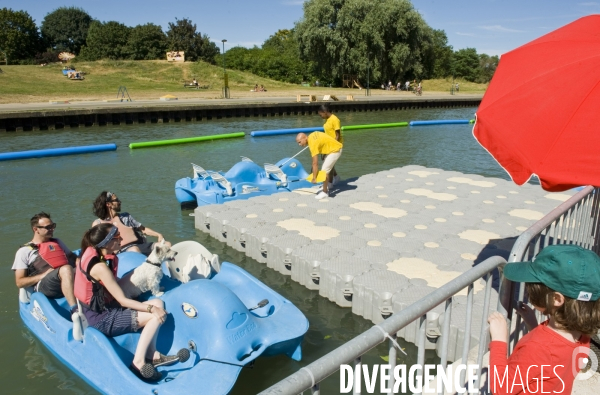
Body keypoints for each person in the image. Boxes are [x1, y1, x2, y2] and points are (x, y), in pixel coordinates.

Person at [488, 244, 600, 395]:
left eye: (533, 286)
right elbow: (550, 364)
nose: (528, 290)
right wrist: (533, 326)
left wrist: (499, 340)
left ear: (556, 298)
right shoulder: (583, 336)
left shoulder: (537, 347)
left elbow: (501, 388)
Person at [75, 223, 176, 381]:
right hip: (101, 318)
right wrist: (150, 310)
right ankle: (138, 363)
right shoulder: (100, 267)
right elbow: (122, 300)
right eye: (116, 237)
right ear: (106, 243)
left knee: (158, 303)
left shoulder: (95, 254)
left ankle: (152, 354)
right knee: (155, 315)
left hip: (106, 306)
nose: (121, 238)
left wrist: (153, 306)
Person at [12, 212, 77, 312]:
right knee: (66, 269)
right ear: (36, 229)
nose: (52, 229)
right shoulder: (24, 251)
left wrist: (83, 264)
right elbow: (19, 282)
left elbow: (72, 256)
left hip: (66, 276)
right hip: (45, 285)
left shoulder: (57, 242)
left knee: (90, 267)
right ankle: (75, 309)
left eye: (53, 226)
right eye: (48, 227)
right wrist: (42, 275)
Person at [92, 191, 170, 256]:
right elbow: (96, 245)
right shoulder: (98, 223)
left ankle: (169, 272)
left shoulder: (126, 217)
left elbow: (143, 229)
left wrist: (159, 235)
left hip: (139, 246)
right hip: (120, 252)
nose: (120, 202)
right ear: (108, 204)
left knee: (166, 245)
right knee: (134, 250)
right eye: (116, 200)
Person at [295, 132, 342, 200]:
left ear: (305, 138)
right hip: (332, 148)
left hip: (336, 150)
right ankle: (332, 182)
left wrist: (314, 178)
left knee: (324, 170)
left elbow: (315, 163)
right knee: (327, 165)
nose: (299, 144)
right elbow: (322, 140)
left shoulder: (312, 143)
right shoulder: (311, 136)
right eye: (298, 143)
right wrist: (325, 152)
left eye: (299, 142)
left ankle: (325, 192)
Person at [318, 104, 342, 185]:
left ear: (325, 112)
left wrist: (332, 147)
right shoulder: (327, 119)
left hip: (335, 145)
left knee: (328, 165)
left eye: (320, 114)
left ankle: (330, 183)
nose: (320, 116)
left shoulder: (335, 119)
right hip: (328, 145)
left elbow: (337, 135)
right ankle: (336, 177)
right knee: (328, 162)